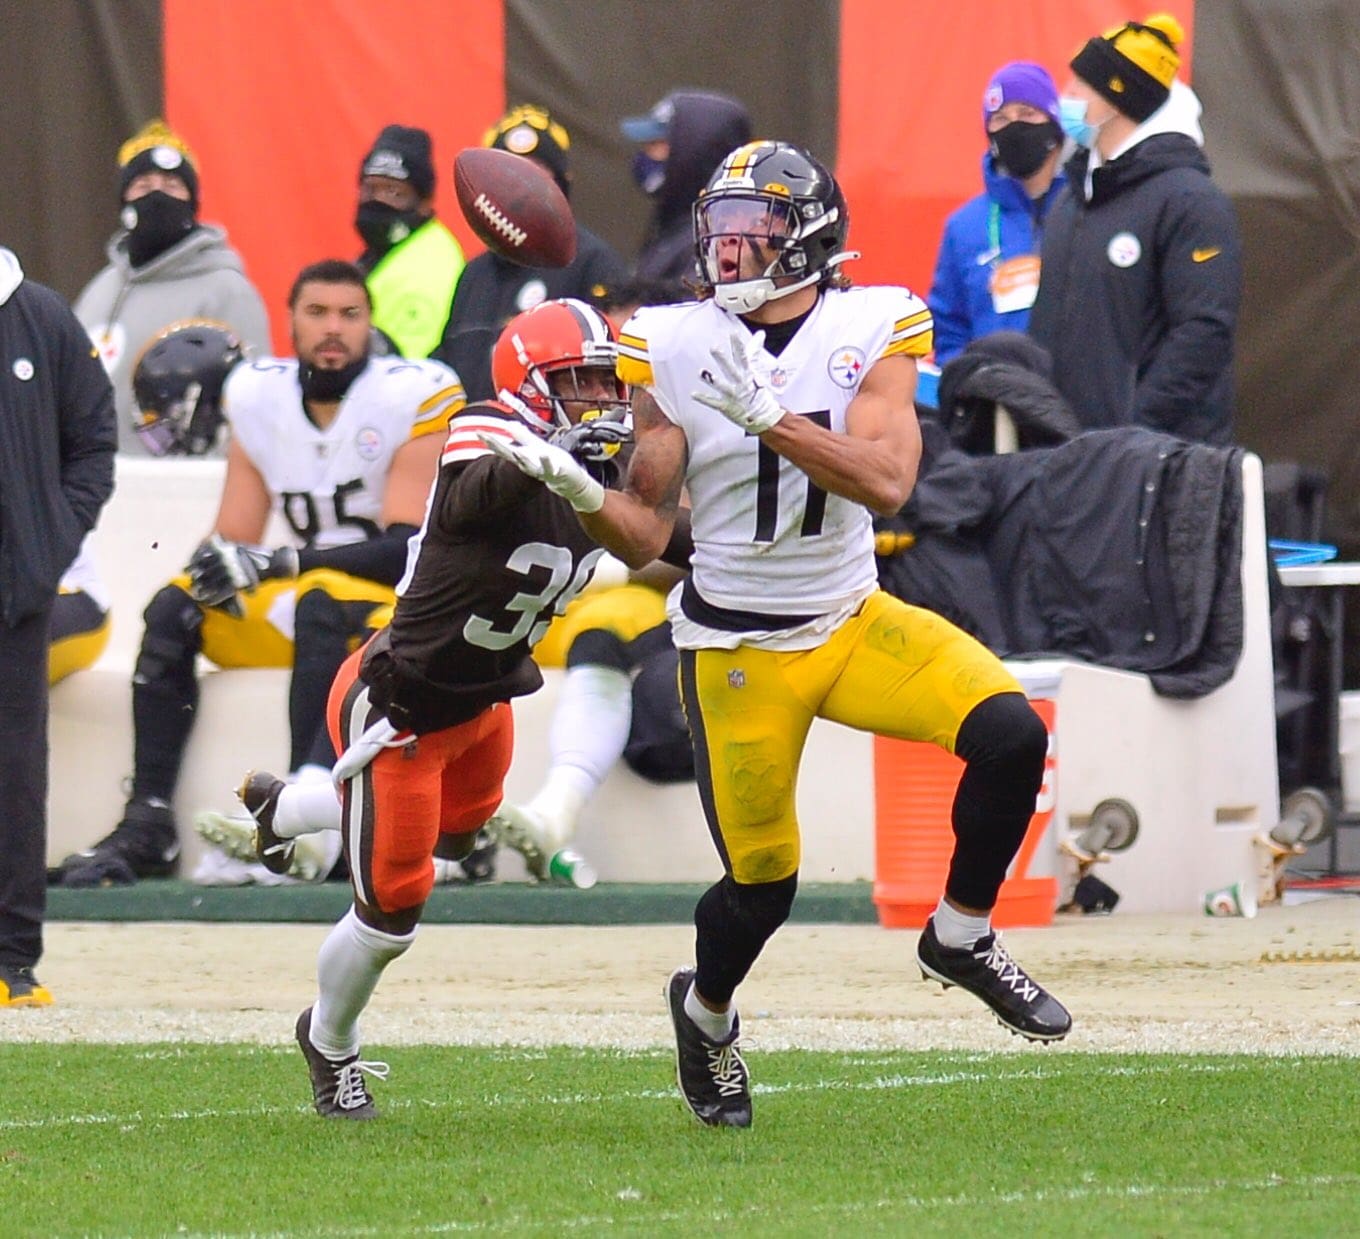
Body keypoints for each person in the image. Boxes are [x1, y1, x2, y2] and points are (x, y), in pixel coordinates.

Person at [484, 140, 1072, 1128]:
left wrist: (769, 417)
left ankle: (962, 935)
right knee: (763, 890)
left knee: (1012, 734)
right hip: (735, 652)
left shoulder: (868, 321)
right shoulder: (669, 340)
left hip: (848, 616)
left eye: (752, 234)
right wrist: (585, 484)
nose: (727, 254)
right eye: (718, 234)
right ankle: (706, 1014)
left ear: (806, 240)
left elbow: (888, 482)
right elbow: (642, 532)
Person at [259, 298, 659, 1119]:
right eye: (578, 383)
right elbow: (473, 489)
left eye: (604, 381)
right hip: (400, 709)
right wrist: (546, 457)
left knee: (459, 833)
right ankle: (329, 1039)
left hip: (488, 701)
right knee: (393, 912)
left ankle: (291, 805)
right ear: (532, 388)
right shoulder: (492, 426)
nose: (600, 401)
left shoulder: (602, 464)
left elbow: (660, 536)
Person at [48, 260, 463, 888]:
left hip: (395, 610)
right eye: (316, 313)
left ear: (370, 324)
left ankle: (302, 820)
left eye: (350, 315)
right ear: (288, 323)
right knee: (174, 608)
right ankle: (149, 818)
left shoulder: (411, 393)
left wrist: (285, 563)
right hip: (310, 592)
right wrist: (213, 567)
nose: (333, 330)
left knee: (320, 599)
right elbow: (235, 535)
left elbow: (406, 548)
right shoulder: (258, 395)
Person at [1027, 13, 1242, 445]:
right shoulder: (1070, 200)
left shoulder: (1190, 201)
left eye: (1079, 87)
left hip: (1152, 464)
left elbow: (1202, 334)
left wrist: (1130, 432)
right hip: (1067, 455)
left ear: (1116, 98)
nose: (1065, 98)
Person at [0, 245, 116, 1006]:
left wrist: (43, 543)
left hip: (14, 593)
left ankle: (11, 958)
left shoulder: (37, 314)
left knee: (13, 772)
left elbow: (94, 442)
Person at [74, 119, 270, 454]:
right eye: (143, 185)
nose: (157, 195)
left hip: (182, 489)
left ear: (192, 203)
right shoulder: (100, 289)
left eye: (172, 185)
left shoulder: (227, 291)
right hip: (96, 487)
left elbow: (255, 402)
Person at [433, 104, 630, 401]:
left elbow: (615, 375)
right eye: (506, 174)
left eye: (535, 175)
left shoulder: (593, 263)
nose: (518, 190)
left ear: (560, 184)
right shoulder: (474, 274)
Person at [928, 62, 1066, 365]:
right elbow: (949, 330)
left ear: (1054, 125)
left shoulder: (1089, 210)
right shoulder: (963, 228)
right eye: (1000, 119)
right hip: (995, 401)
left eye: (1027, 114)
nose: (1013, 128)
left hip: (1080, 400)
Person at [355, 124, 465, 360]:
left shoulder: (432, 264)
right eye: (370, 188)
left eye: (393, 192)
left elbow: (409, 368)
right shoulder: (386, 254)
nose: (377, 200)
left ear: (425, 202)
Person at [620, 90, 752, 281]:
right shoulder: (673, 225)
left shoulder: (712, 245)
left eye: (658, 143)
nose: (645, 152)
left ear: (696, 153)